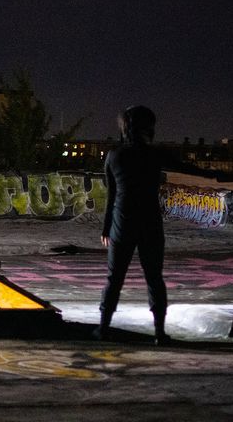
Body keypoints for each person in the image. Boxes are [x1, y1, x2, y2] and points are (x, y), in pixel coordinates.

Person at [95, 105, 171, 345]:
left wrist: (106, 228)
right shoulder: (154, 154)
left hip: (122, 223)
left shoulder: (114, 156)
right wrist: (216, 176)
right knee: (154, 279)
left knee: (114, 279)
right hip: (150, 224)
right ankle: (159, 333)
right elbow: (187, 167)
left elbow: (111, 196)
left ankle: (103, 328)